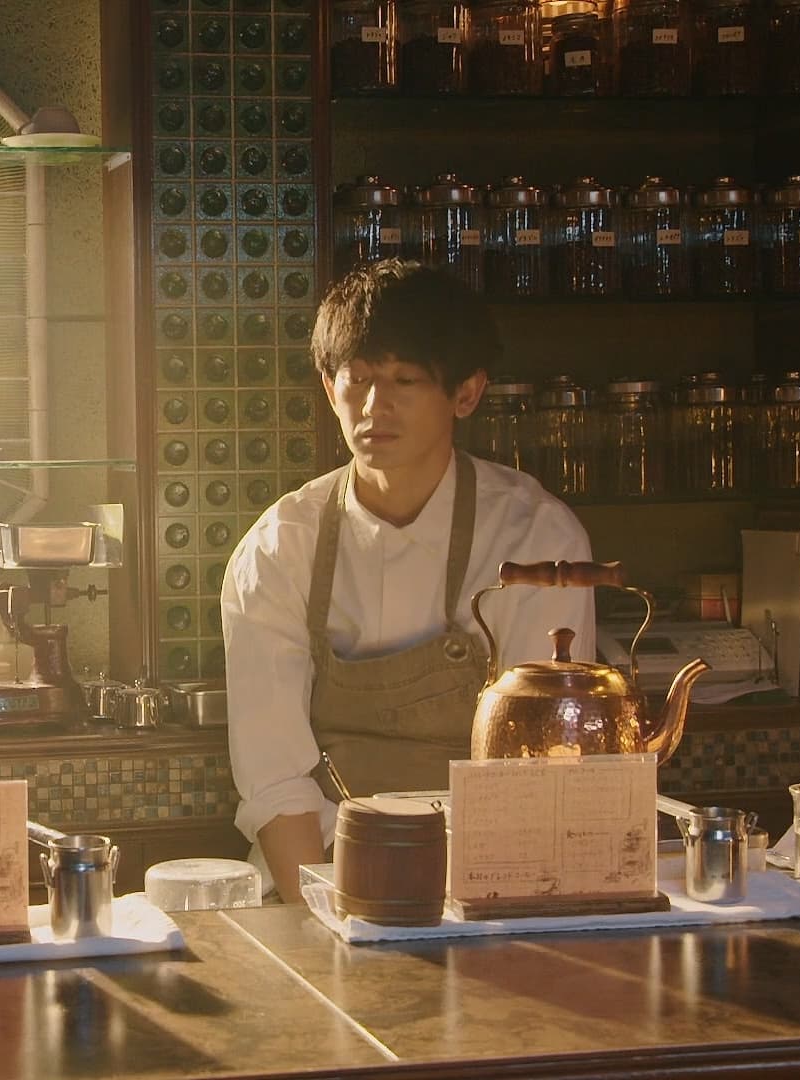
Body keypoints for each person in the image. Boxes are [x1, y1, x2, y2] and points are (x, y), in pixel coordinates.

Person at [221, 260, 594, 902]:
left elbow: (540, 762)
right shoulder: (279, 547)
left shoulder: (536, 539)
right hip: (317, 870)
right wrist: (329, 917)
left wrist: (471, 908)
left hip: (490, 874)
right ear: (328, 387)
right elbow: (273, 775)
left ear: (466, 393)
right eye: (358, 379)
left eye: (405, 380)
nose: (375, 406)